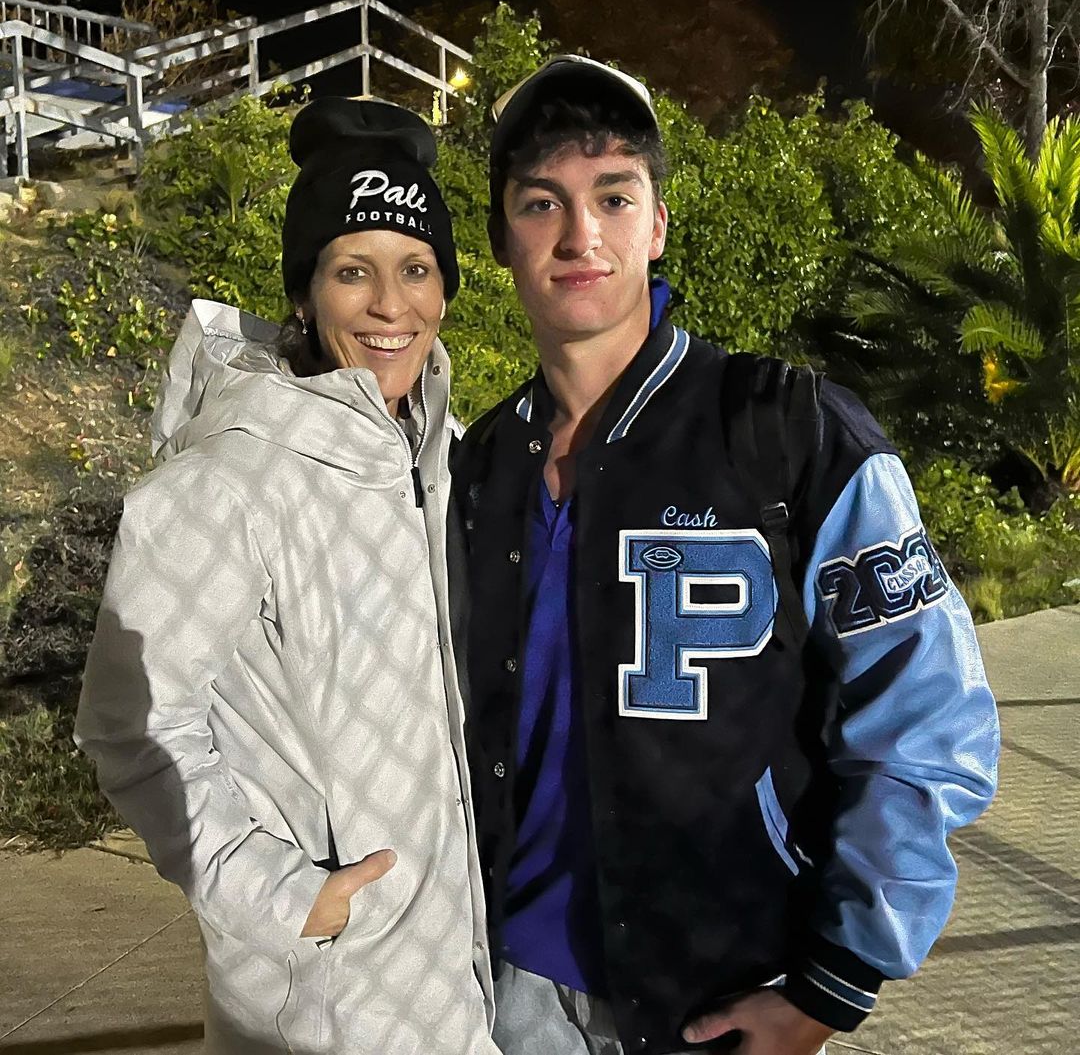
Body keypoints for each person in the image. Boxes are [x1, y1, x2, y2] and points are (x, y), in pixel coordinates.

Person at [452, 55, 1000, 1055]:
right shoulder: (478, 466)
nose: (580, 236)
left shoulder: (790, 429)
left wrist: (834, 983)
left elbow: (927, 720)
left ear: (658, 224)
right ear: (500, 239)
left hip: (718, 1000)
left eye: (614, 196)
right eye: (541, 203)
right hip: (501, 1000)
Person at [76, 97, 498, 1055]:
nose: (391, 305)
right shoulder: (225, 481)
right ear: (305, 295)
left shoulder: (446, 463)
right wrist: (280, 896)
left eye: (416, 268)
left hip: (457, 989)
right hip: (324, 1009)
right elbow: (130, 723)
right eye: (353, 270)